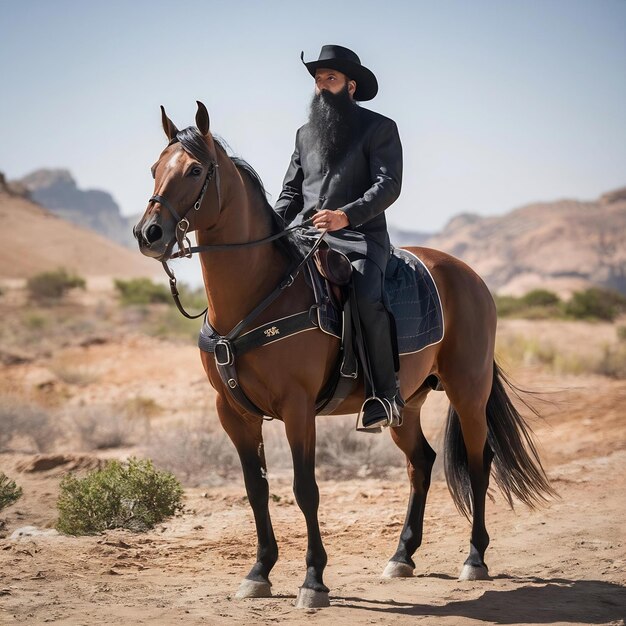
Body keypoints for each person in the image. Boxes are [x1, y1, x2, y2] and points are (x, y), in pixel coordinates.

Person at [274, 44, 403, 430]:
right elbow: (291, 193)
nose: (321, 86)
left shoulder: (379, 128)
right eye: (317, 80)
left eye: (330, 78)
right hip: (306, 236)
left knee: (366, 297)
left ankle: (384, 395)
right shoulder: (304, 135)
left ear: (350, 86)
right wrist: (273, 227)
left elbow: (388, 186)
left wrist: (345, 216)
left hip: (361, 237)